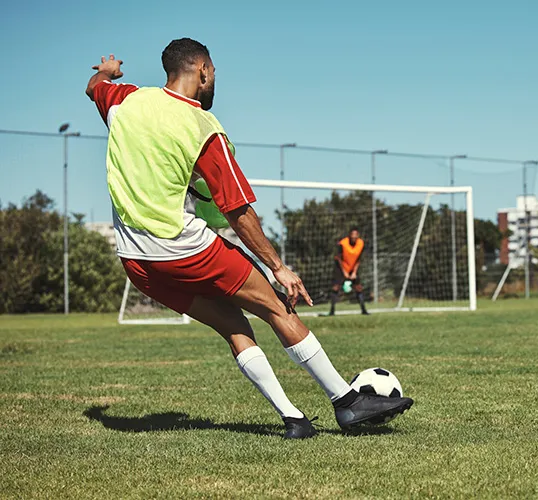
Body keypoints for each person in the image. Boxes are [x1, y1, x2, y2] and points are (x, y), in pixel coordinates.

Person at [85, 39, 412, 439]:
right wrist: (278, 267)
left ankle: (294, 420)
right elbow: (238, 210)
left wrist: (108, 70)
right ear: (202, 70)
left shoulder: (124, 102)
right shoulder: (202, 127)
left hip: (137, 262)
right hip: (184, 248)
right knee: (277, 305)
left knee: (231, 322)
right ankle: (347, 402)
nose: (214, 79)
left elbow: (94, 87)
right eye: (214, 72)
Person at [329, 228, 369, 316]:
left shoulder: (360, 243)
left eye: (356, 235)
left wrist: (354, 272)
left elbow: (359, 259)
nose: (354, 237)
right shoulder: (343, 243)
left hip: (352, 268)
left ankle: (364, 310)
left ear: (358, 236)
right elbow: (338, 258)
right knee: (336, 287)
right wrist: (344, 272)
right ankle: (332, 311)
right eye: (352, 235)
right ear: (349, 235)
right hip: (340, 267)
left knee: (358, 287)